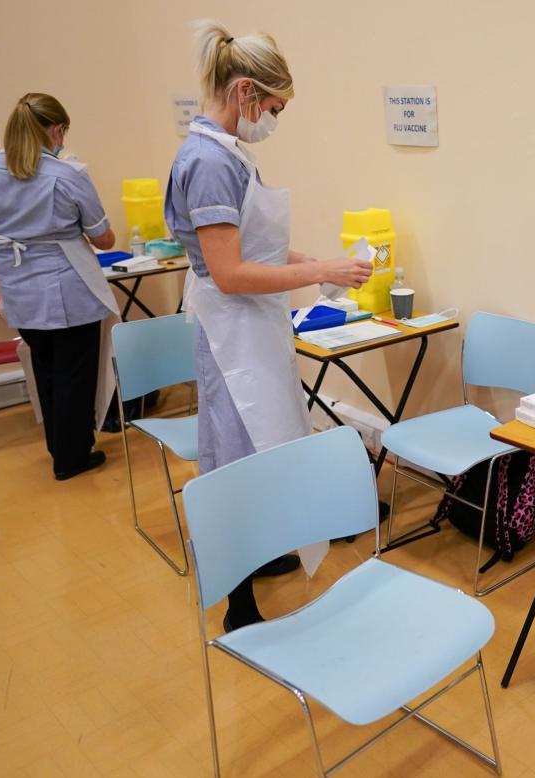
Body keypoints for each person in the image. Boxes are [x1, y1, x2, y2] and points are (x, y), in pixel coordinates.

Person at [166, 20, 372, 631]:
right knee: (235, 457)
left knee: (266, 444)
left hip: (252, 326)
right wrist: (318, 274)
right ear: (246, 92)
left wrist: (316, 262)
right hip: (230, 332)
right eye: (274, 107)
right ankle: (238, 601)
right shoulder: (206, 161)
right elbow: (228, 272)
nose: (274, 119)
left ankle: (261, 551)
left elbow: (248, 245)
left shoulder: (229, 153)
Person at [0, 93, 120, 480]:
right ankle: (71, 458)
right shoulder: (66, 175)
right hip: (68, 286)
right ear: (56, 130)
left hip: (19, 287)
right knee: (75, 374)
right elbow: (103, 238)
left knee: (46, 367)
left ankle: (59, 447)